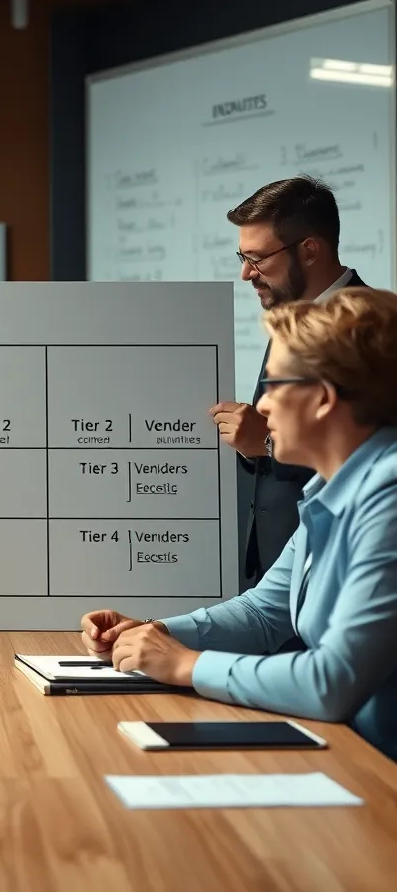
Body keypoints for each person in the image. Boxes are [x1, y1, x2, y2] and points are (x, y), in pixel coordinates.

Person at [81, 287, 397, 761]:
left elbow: (332, 683)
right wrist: (152, 633)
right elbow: (263, 614)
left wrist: (188, 666)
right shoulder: (335, 489)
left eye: (274, 385)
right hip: (353, 754)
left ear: (324, 398)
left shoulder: (388, 497)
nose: (261, 406)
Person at [208, 176, 365, 583]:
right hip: (271, 571)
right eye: (241, 257)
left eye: (257, 259)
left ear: (310, 250)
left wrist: (264, 443)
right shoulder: (291, 315)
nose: (246, 274)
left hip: (336, 569)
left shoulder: (373, 328)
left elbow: (370, 457)